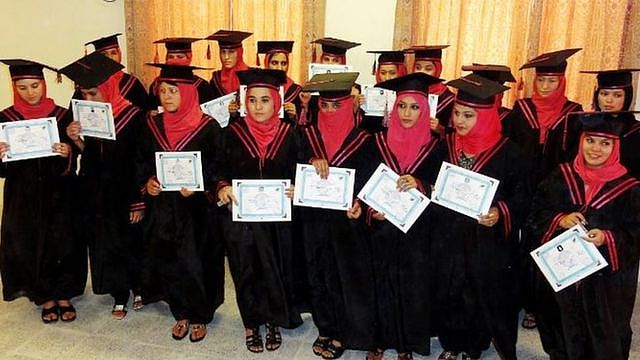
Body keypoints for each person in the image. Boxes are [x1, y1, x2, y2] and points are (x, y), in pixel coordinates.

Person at [430, 74, 530, 360]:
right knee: (450, 287)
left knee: (478, 290)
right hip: (449, 232)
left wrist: (501, 212)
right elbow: (428, 179)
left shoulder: (511, 153)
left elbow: (523, 197)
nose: (459, 120)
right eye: (458, 113)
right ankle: (451, 343)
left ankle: (473, 346)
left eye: (469, 115)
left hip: (487, 237)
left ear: (486, 117)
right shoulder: (446, 145)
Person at [526, 112, 640, 359]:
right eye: (590, 140)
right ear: (581, 141)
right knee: (559, 324)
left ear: (616, 147)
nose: (596, 149)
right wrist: (560, 219)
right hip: (563, 270)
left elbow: (635, 232)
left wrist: (608, 237)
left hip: (605, 280)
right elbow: (536, 212)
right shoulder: (561, 175)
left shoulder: (629, 188)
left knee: (602, 332)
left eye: (605, 143)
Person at [215, 68, 304, 353]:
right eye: (252, 100)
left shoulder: (291, 134)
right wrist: (221, 187)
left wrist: (296, 189)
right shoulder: (230, 133)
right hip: (241, 218)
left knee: (275, 268)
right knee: (245, 269)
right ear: (244, 101)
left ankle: (274, 319)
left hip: (278, 220)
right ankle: (252, 323)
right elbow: (216, 170)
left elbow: (300, 170)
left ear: (276, 103)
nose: (258, 106)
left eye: (265, 100)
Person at [502, 48, 583, 359]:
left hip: (555, 194)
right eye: (542, 81)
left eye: (552, 81)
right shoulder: (520, 110)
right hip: (521, 188)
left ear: (562, 81)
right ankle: (518, 299)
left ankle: (538, 306)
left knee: (544, 249)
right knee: (517, 247)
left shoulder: (575, 113)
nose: (546, 87)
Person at [136, 63, 223, 342]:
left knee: (197, 259)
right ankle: (181, 312)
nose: (168, 97)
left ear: (187, 92)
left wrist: (200, 187)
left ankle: (200, 314)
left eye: (174, 91)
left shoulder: (208, 127)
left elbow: (219, 166)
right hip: (163, 206)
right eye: (162, 91)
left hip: (197, 209)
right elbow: (140, 161)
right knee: (170, 257)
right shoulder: (152, 125)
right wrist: (147, 183)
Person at [60, 52, 146, 319]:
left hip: (125, 189)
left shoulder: (133, 116)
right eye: (84, 95)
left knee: (132, 240)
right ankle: (118, 293)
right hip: (97, 189)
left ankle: (139, 286)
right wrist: (77, 140)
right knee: (106, 242)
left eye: (94, 94)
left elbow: (140, 162)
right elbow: (92, 155)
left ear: (109, 87)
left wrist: (138, 200)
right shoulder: (90, 116)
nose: (88, 100)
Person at [364, 73, 444, 360]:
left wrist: (420, 185)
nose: (407, 113)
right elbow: (364, 186)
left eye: (415, 107)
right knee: (380, 283)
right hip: (382, 227)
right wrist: (372, 211)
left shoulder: (437, 147)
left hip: (418, 231)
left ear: (426, 111)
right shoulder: (375, 143)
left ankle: (405, 344)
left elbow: (443, 190)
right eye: (402, 106)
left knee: (413, 285)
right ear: (393, 108)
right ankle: (379, 340)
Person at [299, 72, 378, 359]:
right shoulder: (307, 135)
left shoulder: (365, 140)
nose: (330, 111)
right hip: (314, 218)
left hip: (347, 221)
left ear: (350, 105)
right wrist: (309, 160)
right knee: (317, 271)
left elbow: (371, 182)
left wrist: (361, 203)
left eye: (337, 105)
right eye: (325, 106)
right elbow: (293, 168)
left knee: (344, 275)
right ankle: (325, 325)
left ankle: (344, 331)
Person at [0, 59, 84, 323]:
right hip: (23, 195)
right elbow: (3, 171)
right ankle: (45, 296)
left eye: (35, 85)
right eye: (22, 87)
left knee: (64, 242)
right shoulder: (5, 119)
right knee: (30, 243)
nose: (30, 92)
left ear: (44, 84)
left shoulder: (62, 115)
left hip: (59, 191)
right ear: (14, 88)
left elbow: (77, 157)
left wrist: (69, 151)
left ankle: (64, 294)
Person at [580, 69, 640, 177]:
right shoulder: (584, 125)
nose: (609, 100)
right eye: (604, 94)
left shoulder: (636, 131)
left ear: (628, 97)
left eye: (617, 95)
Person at [300, 38, 362, 125]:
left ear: (342, 63)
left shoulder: (354, 88)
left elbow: (358, 124)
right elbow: (307, 120)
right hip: (319, 132)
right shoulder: (311, 86)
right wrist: (305, 105)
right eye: (326, 59)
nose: (330, 64)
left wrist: (354, 104)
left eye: (335, 60)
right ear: (321, 60)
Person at [82, 33, 151, 110]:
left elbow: (146, 112)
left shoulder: (132, 83)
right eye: (104, 54)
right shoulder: (88, 83)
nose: (110, 58)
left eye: (113, 53)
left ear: (119, 54)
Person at [147, 37, 215, 110]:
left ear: (189, 57)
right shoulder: (156, 85)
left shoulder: (202, 86)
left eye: (180, 57)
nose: (175, 61)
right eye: (171, 57)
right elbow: (150, 108)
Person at [404, 45, 453, 137]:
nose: (421, 72)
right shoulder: (407, 92)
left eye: (428, 69)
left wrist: (439, 128)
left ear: (437, 70)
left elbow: (453, 134)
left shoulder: (448, 99)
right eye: (418, 67)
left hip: (433, 147)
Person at [357, 50, 407, 133]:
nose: (387, 78)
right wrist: (359, 107)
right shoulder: (370, 93)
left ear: (400, 72)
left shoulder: (408, 95)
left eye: (392, 73)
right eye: (383, 73)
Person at [257, 40, 302, 124]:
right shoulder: (256, 89)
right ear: (267, 63)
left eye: (284, 63)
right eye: (274, 63)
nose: (279, 68)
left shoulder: (296, 91)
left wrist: (294, 115)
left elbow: (302, 127)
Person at [204, 30, 252, 98]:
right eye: (223, 52)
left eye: (231, 52)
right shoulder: (216, 80)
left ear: (239, 53)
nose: (226, 57)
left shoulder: (252, 75)